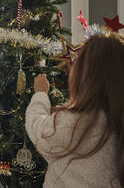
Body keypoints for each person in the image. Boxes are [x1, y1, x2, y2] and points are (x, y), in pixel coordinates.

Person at [26, 33, 124, 187]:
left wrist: (40, 94)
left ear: (84, 75)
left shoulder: (73, 123)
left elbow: (37, 127)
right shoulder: (115, 121)